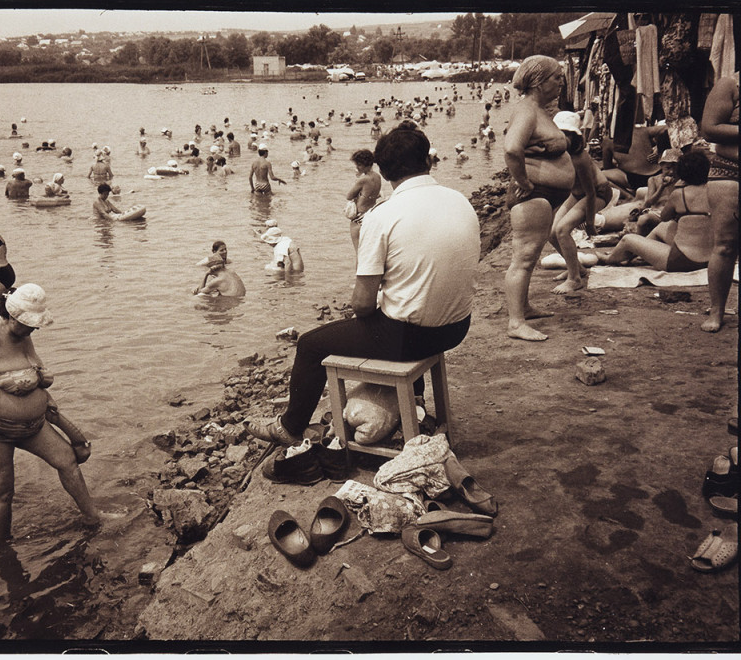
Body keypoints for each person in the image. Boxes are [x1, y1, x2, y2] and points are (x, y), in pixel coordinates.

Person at [246, 121, 478, 446]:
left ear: (383, 171)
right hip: (455, 329)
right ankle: (416, 398)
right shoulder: (461, 201)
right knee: (409, 300)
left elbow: (362, 303)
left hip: (410, 337)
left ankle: (290, 427)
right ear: (428, 161)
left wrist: (374, 304)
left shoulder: (382, 216)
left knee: (311, 345)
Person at [0, 284, 100, 539]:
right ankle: (4, 547)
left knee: (67, 461)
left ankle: (93, 518)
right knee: (3, 491)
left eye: (35, 323)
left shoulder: (23, 334)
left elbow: (35, 376)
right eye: (28, 323)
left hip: (32, 425)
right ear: (11, 315)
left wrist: (49, 389)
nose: (34, 328)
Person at [500, 56, 575, 341]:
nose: (561, 81)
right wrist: (523, 181)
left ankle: (524, 308)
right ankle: (515, 323)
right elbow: (511, 149)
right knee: (523, 257)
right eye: (556, 77)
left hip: (543, 195)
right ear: (539, 81)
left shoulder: (537, 110)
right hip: (534, 195)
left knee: (530, 257)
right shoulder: (527, 110)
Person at [598, 145, 714, 273]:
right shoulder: (713, 191)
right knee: (662, 228)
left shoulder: (680, 193)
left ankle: (609, 259)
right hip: (709, 259)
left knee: (628, 239)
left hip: (682, 261)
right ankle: (632, 254)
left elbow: (664, 217)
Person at [700, 74, 741, 332]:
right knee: (725, 245)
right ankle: (717, 310)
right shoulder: (731, 84)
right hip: (731, 171)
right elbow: (710, 128)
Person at [546, 111, 603, 293]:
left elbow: (591, 192)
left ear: (574, 136)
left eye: (566, 134)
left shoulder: (580, 159)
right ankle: (577, 267)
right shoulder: (560, 155)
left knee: (562, 230)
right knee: (551, 232)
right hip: (577, 194)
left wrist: (590, 222)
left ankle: (575, 279)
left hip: (596, 194)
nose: (561, 139)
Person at [344, 148, 383, 252]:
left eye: (359, 164)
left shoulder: (363, 179)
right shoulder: (378, 177)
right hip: (371, 214)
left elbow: (349, 196)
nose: (357, 167)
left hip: (359, 218)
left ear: (365, 164)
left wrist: (357, 179)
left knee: (359, 253)